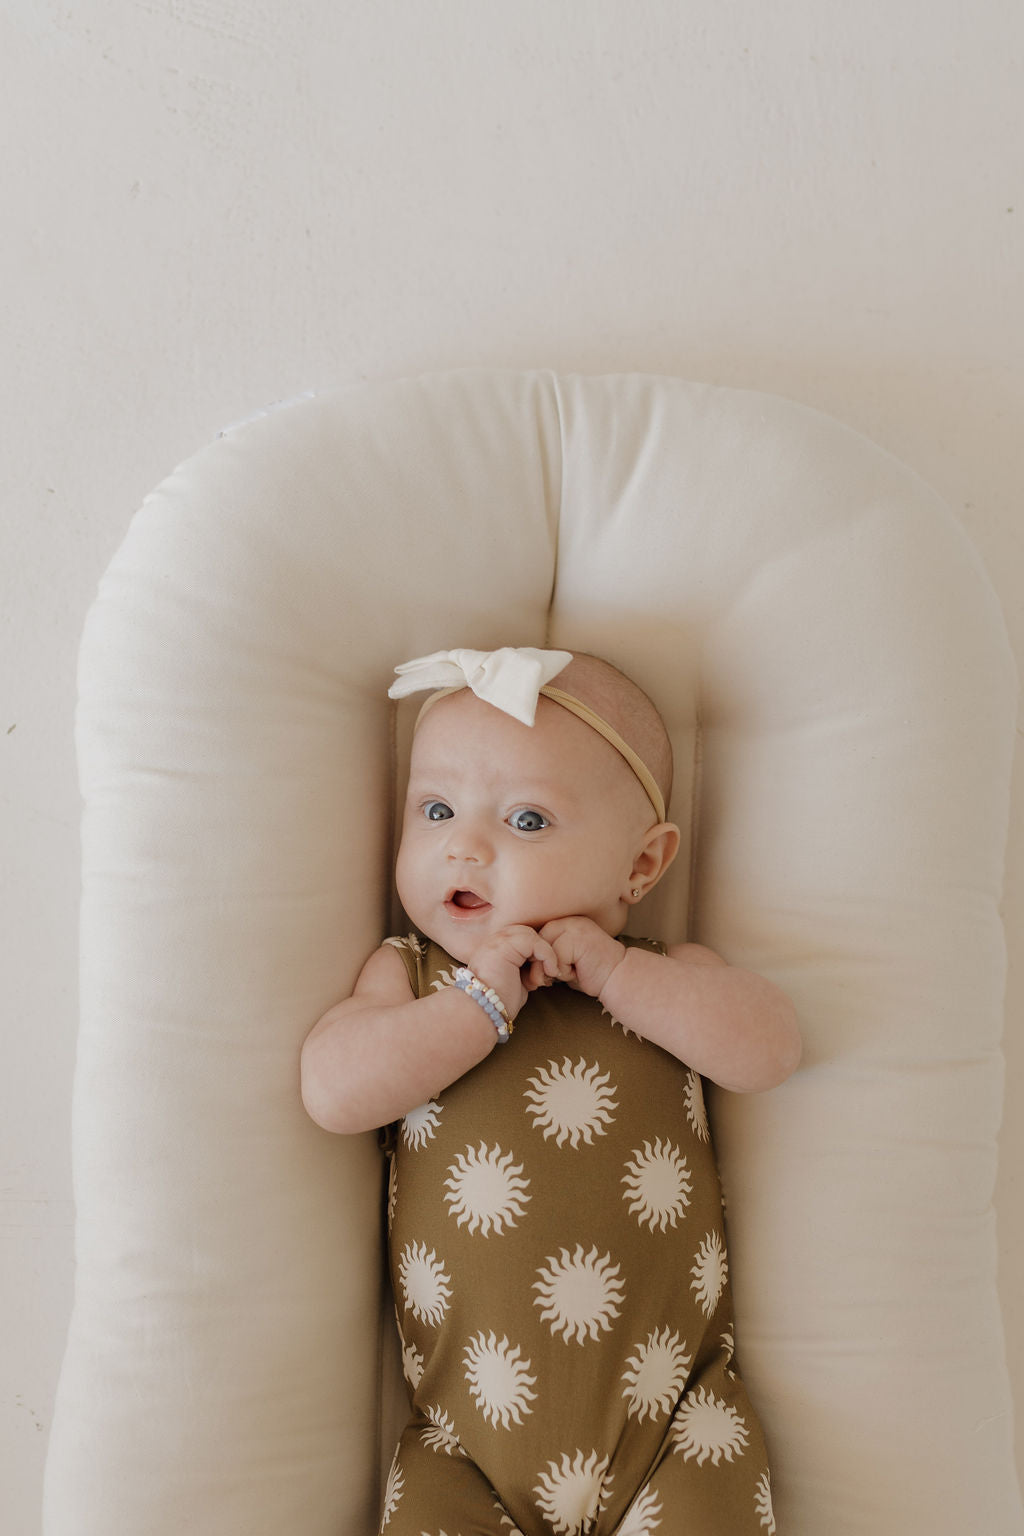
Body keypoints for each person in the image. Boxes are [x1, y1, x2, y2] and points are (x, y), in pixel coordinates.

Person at [301, 646, 801, 1536]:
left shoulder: (663, 978)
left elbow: (770, 1049)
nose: (465, 843)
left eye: (527, 819)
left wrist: (615, 977)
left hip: (680, 1425)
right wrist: (475, 1009)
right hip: (461, 1446)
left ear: (642, 869)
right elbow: (334, 1092)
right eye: (438, 809)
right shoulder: (411, 978)